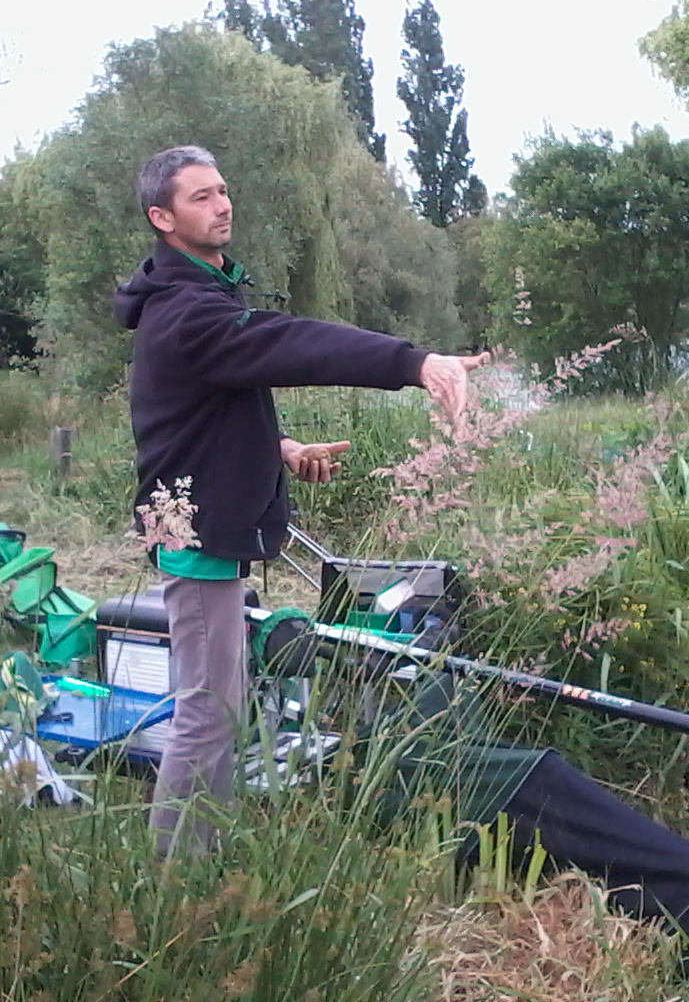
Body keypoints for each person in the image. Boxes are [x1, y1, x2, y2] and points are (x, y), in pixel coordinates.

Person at [111, 144, 487, 856]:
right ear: (162, 218)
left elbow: (193, 412)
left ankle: (203, 850)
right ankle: (176, 874)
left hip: (202, 524)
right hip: (195, 538)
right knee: (207, 713)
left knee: (219, 704)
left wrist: (276, 448)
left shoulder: (198, 297)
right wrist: (414, 363)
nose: (222, 205)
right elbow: (294, 343)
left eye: (223, 190)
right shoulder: (188, 310)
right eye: (200, 197)